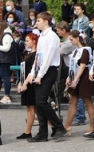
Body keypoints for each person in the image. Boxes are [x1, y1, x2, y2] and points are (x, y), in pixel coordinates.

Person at [26, 12, 67, 143]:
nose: (36, 23)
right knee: (38, 102)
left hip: (49, 70)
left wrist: (40, 75)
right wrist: (32, 73)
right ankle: (42, 132)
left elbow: (49, 58)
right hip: (40, 70)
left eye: (39, 20)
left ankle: (59, 126)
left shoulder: (52, 36)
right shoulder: (42, 36)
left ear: (46, 21)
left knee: (41, 101)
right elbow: (38, 57)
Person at [62, 31, 94, 136]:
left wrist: (75, 79)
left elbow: (82, 66)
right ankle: (67, 126)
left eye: (72, 39)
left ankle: (92, 126)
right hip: (75, 75)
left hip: (84, 77)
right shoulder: (76, 51)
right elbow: (73, 66)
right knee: (73, 100)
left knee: (87, 101)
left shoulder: (85, 50)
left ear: (77, 38)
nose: (71, 42)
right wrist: (69, 77)